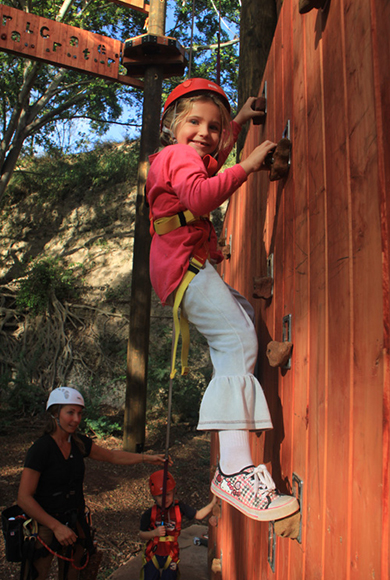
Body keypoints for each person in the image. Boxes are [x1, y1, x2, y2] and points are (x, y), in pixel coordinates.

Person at [146, 77, 299, 522]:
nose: (205, 133)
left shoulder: (179, 156)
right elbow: (201, 191)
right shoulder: (179, 155)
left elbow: (207, 169)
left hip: (181, 267)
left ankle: (232, 462)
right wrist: (249, 164)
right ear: (173, 126)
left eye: (214, 127)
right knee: (236, 342)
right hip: (184, 267)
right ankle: (234, 470)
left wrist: (240, 123)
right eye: (194, 121)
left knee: (242, 320)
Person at [17, 386, 166, 580]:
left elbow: (112, 456)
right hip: (45, 524)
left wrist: (146, 458)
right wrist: (55, 527)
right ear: (55, 413)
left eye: (79, 413)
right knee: (35, 573)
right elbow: (24, 497)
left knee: (75, 574)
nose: (76, 419)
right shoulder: (41, 449)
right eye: (70, 413)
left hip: (74, 521)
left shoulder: (79, 443)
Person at [139, 469, 216, 579]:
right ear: (154, 497)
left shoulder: (179, 508)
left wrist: (213, 504)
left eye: (168, 494)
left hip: (171, 556)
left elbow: (198, 515)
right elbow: (141, 534)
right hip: (153, 555)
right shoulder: (149, 514)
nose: (165, 499)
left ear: (174, 492)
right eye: (160, 496)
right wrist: (154, 533)